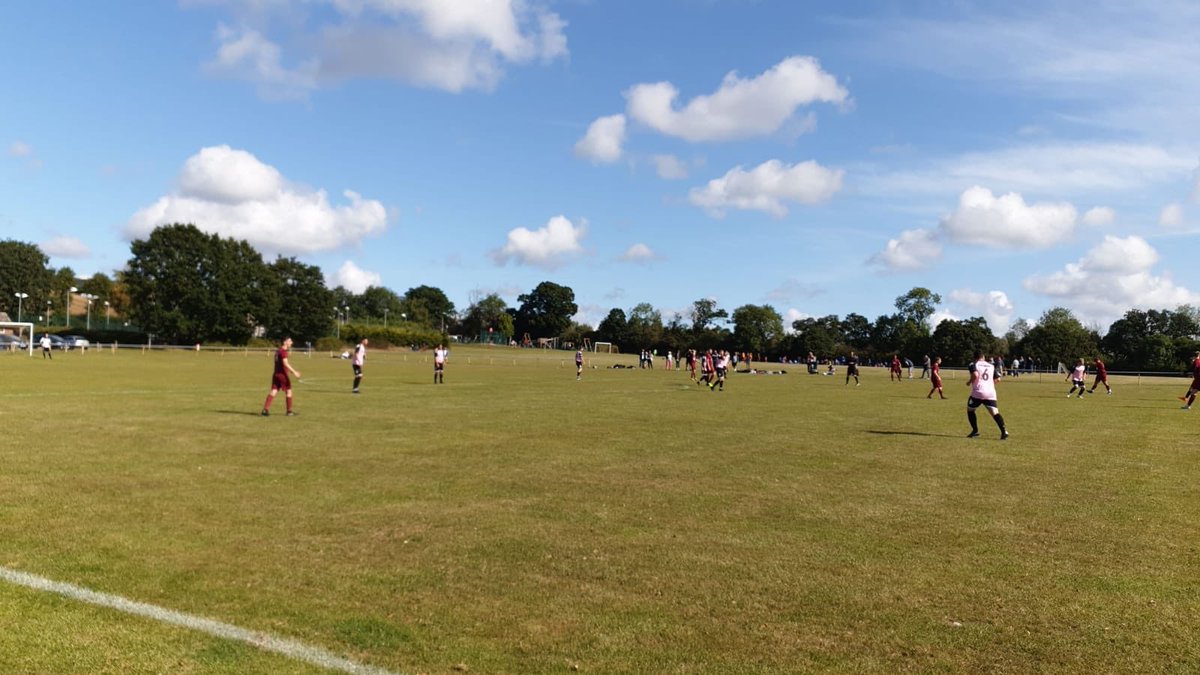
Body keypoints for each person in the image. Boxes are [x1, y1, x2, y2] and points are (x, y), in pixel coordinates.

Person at [966, 349, 1007, 440]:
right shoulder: (991, 365)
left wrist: (969, 382)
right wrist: (989, 384)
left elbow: (975, 375)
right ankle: (1004, 431)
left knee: (970, 410)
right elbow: (998, 379)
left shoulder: (973, 364)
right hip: (990, 393)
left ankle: (975, 430)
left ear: (974, 357)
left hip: (978, 392)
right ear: (983, 357)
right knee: (995, 413)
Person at [262, 336, 301, 417]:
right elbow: (285, 363)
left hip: (276, 374)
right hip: (282, 375)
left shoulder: (278, 351)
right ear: (285, 342)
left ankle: (265, 410)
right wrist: (294, 372)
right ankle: (289, 411)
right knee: (289, 391)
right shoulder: (283, 351)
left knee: (274, 391)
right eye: (290, 341)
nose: (291, 342)